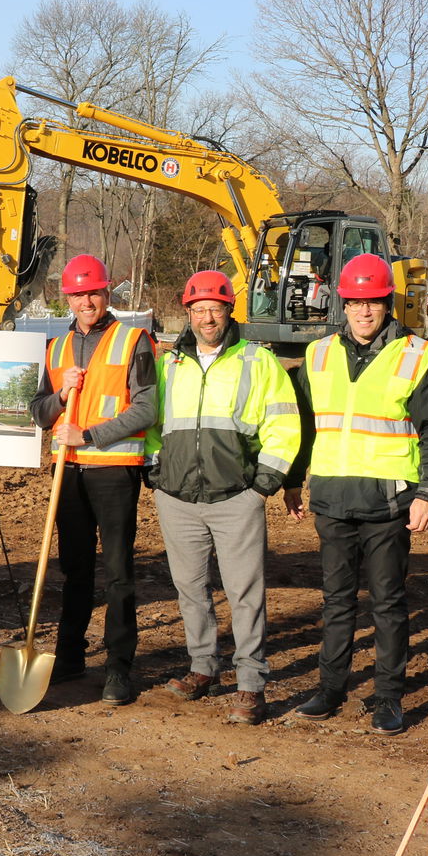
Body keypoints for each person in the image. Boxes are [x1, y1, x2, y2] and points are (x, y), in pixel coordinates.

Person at [285, 254, 428, 735]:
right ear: (343, 304)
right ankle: (330, 689)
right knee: (336, 601)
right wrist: (293, 480)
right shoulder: (318, 355)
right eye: (356, 302)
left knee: (388, 603)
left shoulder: (417, 356)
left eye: (374, 302)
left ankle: (387, 697)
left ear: (387, 304)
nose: (364, 311)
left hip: (389, 503)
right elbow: (303, 426)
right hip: (332, 499)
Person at [145, 270, 300, 725]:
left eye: (215, 308)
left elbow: (284, 423)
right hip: (178, 498)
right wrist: (156, 470)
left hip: (236, 498)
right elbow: (153, 423)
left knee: (244, 592)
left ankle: (250, 683)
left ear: (229, 310)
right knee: (190, 588)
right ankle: (203, 668)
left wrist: (263, 484)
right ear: (187, 312)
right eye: (199, 309)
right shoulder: (169, 364)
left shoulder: (257, 361)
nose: (207, 318)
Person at [26, 254, 156, 705]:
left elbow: (147, 408)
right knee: (75, 568)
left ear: (106, 293)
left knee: (118, 571)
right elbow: (39, 412)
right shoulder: (55, 348)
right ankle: (70, 655)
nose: (86, 301)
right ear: (67, 299)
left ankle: (119, 666)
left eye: (93, 293)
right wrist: (62, 394)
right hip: (69, 472)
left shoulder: (134, 340)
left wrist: (89, 435)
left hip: (115, 470)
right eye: (78, 295)